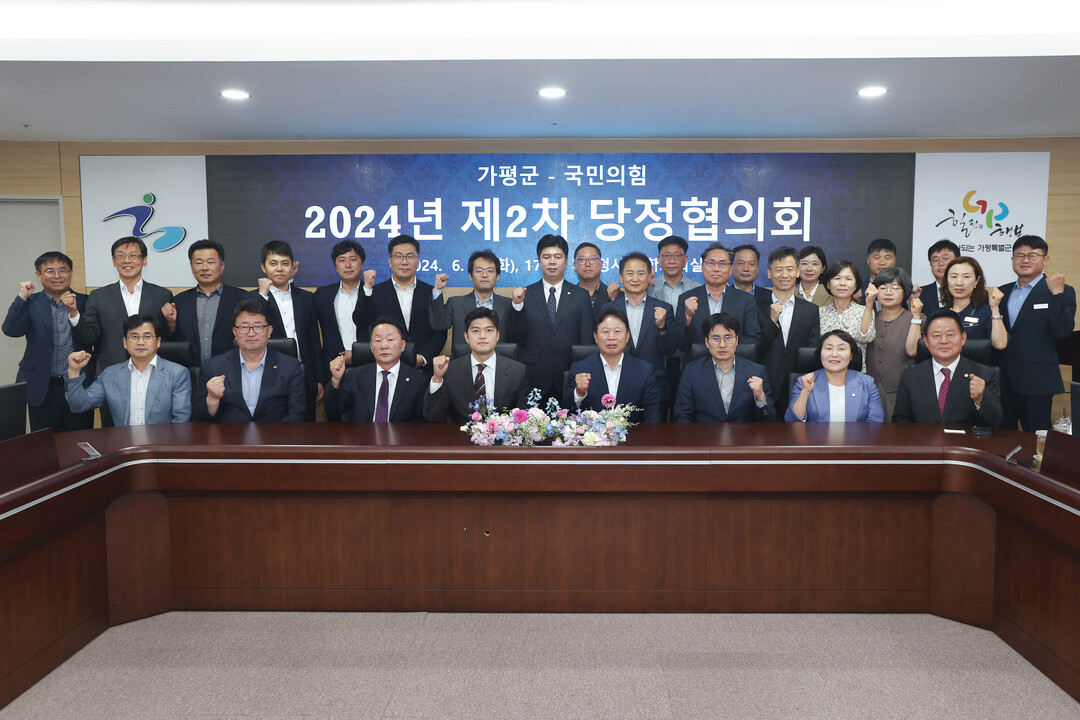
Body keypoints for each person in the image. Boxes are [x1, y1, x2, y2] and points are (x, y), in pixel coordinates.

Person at [72, 237, 173, 425]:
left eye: (133, 255)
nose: (127, 261)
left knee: (156, 427)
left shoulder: (162, 295)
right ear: (113, 261)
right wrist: (74, 314)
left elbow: (166, 337)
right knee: (112, 431)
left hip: (153, 374)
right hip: (111, 374)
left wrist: (171, 321)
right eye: (120, 256)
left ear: (144, 260)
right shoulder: (99, 296)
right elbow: (89, 336)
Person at [4, 251, 96, 432]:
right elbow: (11, 330)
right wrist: (22, 297)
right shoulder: (30, 302)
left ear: (71, 273)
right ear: (38, 275)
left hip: (78, 384)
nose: (57, 276)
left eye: (62, 270)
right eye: (49, 271)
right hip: (42, 385)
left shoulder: (87, 302)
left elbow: (91, 337)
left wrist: (74, 312)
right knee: (44, 442)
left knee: (79, 440)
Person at [998, 235, 1076, 432]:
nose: (1025, 260)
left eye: (1032, 255)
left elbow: (1062, 331)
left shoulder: (1061, 291)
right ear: (1012, 259)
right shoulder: (1002, 292)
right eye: (1019, 255)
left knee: (1037, 439)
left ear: (1045, 259)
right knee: (1003, 438)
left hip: (1037, 381)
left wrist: (1056, 294)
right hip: (1002, 379)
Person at [503, 234, 594, 403]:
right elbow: (514, 337)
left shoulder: (580, 296)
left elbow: (587, 342)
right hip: (532, 377)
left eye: (557, 257)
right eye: (546, 257)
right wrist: (517, 306)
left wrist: (583, 374)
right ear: (539, 261)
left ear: (566, 261)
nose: (552, 262)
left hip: (570, 377)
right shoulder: (525, 294)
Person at [193, 298, 306, 422]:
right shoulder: (214, 366)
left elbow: (298, 413)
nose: (251, 333)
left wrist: (277, 434)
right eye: (244, 327)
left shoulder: (290, 366)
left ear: (269, 331)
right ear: (235, 332)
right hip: (230, 433)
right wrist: (212, 399)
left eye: (258, 326)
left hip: (275, 433)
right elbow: (199, 418)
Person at [65, 314, 191, 425]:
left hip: (162, 443)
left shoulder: (177, 373)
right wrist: (74, 372)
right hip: (125, 443)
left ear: (158, 342)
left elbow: (181, 421)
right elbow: (79, 405)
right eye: (134, 337)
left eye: (147, 337)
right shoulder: (110, 374)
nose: (140, 342)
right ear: (125, 342)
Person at [353, 234, 447, 377]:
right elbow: (361, 324)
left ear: (418, 262)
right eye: (398, 256)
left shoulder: (431, 292)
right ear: (390, 262)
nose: (404, 261)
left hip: (423, 371)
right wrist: (366, 289)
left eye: (410, 256)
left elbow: (439, 331)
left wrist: (423, 358)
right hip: (385, 369)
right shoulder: (375, 292)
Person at [255, 240, 327, 421]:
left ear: (293, 267)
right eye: (273, 263)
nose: (279, 268)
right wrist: (262, 295)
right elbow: (254, 329)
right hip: (268, 376)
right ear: (263, 267)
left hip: (304, 375)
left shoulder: (306, 298)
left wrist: (318, 378)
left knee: (306, 429)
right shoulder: (254, 298)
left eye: (285, 263)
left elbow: (313, 340)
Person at [893, 310, 1002, 427]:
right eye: (936, 336)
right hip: (923, 438)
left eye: (950, 335)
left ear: (963, 338)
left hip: (967, 439)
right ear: (926, 341)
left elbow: (996, 423)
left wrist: (980, 400)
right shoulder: (910, 376)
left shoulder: (985, 375)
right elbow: (901, 422)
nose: (944, 341)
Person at [602, 251, 679, 418]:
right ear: (621, 278)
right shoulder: (608, 310)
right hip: (616, 384)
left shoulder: (664, 309)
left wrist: (662, 327)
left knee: (654, 433)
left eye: (641, 273)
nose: (635, 279)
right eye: (630, 273)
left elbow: (671, 350)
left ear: (650, 277)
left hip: (655, 386)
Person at [424, 307, 531, 423]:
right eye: (476, 331)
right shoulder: (450, 371)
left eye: (489, 330)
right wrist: (437, 378)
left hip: (503, 434)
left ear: (497, 336)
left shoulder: (518, 372)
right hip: (461, 433)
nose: (482, 336)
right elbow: (432, 416)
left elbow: (523, 419)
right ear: (466, 337)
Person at [563, 307, 662, 423]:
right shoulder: (580, 369)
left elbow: (653, 415)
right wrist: (579, 394)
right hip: (592, 433)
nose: (611, 337)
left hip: (633, 434)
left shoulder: (644, 371)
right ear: (596, 337)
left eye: (617, 331)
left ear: (627, 337)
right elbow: (567, 412)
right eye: (605, 332)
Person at [674, 312, 775, 422]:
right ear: (707, 342)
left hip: (743, 433)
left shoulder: (756, 371)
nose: (722, 345)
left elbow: (769, 420)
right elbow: (682, 415)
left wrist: (760, 398)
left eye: (728, 338)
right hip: (704, 432)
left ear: (736, 340)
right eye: (716, 338)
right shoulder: (692, 371)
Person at [756, 246, 820, 417]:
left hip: (798, 386)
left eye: (790, 269)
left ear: (797, 272)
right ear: (769, 273)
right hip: (763, 385)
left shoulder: (811, 310)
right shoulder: (755, 308)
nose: (784, 275)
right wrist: (771, 321)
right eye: (778, 269)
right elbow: (754, 348)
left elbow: (812, 352)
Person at [162, 239, 247, 366]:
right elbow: (172, 344)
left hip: (230, 371)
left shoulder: (241, 299)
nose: (205, 268)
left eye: (211, 262)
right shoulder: (179, 301)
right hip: (190, 372)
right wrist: (171, 324)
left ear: (222, 266)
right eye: (199, 263)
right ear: (191, 266)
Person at [325, 316, 426, 422]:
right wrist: (335, 380)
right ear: (371, 347)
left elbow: (421, 422)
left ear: (403, 345)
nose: (384, 346)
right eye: (378, 340)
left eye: (390, 340)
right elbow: (333, 411)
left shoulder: (418, 380)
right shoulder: (354, 376)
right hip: (362, 432)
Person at [676, 242, 761, 351]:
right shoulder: (686, 298)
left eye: (722, 264)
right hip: (697, 361)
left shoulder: (745, 300)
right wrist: (687, 318)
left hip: (734, 360)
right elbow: (678, 343)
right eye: (711, 263)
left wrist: (724, 354)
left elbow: (752, 338)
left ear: (731, 269)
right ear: (702, 267)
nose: (716, 269)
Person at [648, 235, 700, 411]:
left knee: (685, 413)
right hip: (656, 360)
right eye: (666, 256)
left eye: (677, 256)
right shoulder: (646, 287)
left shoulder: (698, 289)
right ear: (658, 259)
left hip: (687, 360)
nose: (671, 261)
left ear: (685, 259)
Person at [785, 329, 883, 423]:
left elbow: (875, 423)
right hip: (815, 435)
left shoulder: (867, 384)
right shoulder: (805, 382)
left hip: (857, 435)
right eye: (828, 348)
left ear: (851, 356)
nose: (834, 354)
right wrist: (805, 391)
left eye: (841, 349)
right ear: (820, 353)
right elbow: (792, 421)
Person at [429, 249, 512, 356]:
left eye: (490, 271)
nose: (484, 275)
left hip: (499, 363)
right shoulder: (455, 303)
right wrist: (438, 290)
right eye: (479, 270)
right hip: (463, 363)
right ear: (470, 276)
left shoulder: (509, 305)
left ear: (497, 276)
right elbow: (438, 324)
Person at [866, 267, 921, 421]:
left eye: (895, 288)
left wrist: (916, 318)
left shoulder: (915, 318)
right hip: (871, 387)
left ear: (905, 291)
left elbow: (913, 350)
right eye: (883, 288)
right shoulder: (869, 318)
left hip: (901, 388)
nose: (888, 292)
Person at [314, 239, 367, 368]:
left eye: (353, 259)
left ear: (362, 264)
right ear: (336, 267)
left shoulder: (374, 294)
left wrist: (360, 354)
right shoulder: (322, 295)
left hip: (369, 365)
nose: (348, 265)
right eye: (342, 260)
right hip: (333, 366)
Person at [818, 260, 875, 372]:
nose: (842, 283)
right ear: (828, 284)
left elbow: (866, 338)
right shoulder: (819, 313)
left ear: (855, 285)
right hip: (825, 373)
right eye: (837, 278)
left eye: (848, 279)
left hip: (856, 374)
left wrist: (869, 303)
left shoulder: (865, 311)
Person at [939, 257, 1006, 349]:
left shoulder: (986, 312)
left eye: (966, 277)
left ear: (976, 281)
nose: (959, 283)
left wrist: (995, 309)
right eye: (954, 276)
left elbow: (1000, 344)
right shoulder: (939, 314)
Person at [913, 239, 959, 316]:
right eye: (936, 260)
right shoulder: (920, 294)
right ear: (930, 264)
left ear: (957, 261)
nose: (941, 263)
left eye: (946, 258)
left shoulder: (970, 292)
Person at [573, 242, 611, 320]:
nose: (587, 264)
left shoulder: (615, 296)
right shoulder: (566, 297)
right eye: (582, 259)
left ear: (601, 264)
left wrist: (613, 300)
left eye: (592, 259)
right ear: (574, 265)